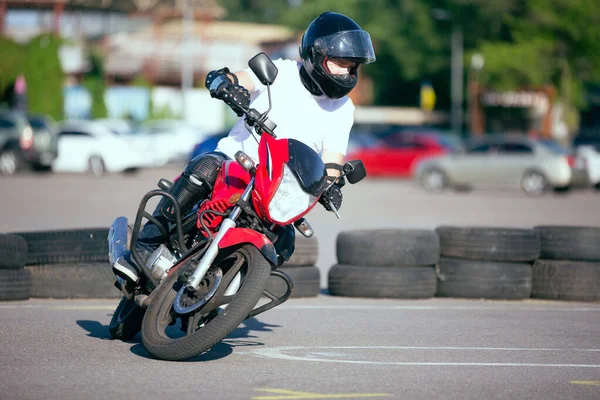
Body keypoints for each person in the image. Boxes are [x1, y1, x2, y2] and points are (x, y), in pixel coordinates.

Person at [112, 11, 376, 284]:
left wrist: (330, 185)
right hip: (236, 162)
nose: (348, 73)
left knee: (285, 241)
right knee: (205, 166)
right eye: (341, 64)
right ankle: (144, 245)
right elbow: (240, 79)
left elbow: (332, 161)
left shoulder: (344, 109)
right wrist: (228, 84)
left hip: (277, 188)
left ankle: (227, 291)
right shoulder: (281, 72)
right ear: (315, 56)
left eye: (353, 67)